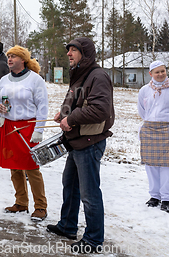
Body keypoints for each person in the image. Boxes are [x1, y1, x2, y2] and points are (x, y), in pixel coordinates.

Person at [46, 37, 114, 254]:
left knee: (89, 193)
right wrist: (63, 114)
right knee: (70, 184)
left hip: (89, 141)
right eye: (69, 50)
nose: (69, 54)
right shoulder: (80, 75)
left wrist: (72, 119)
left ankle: (94, 240)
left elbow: (100, 109)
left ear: (85, 53)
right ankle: (67, 226)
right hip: (76, 141)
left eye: (73, 50)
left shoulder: (98, 75)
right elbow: (78, 103)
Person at [0, 45, 48, 221]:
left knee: (32, 168)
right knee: (14, 167)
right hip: (8, 127)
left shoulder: (35, 79)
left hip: (28, 128)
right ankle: (21, 202)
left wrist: (39, 130)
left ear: (23, 60)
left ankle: (40, 206)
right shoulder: (4, 80)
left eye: (14, 56)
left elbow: (43, 106)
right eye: (8, 56)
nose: (9, 59)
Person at [137, 61, 169, 213]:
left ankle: (166, 199)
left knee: (168, 166)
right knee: (151, 165)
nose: (160, 74)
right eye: (156, 72)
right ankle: (154, 196)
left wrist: (168, 121)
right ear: (150, 74)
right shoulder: (144, 90)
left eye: (162, 71)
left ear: (166, 71)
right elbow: (142, 110)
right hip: (150, 129)